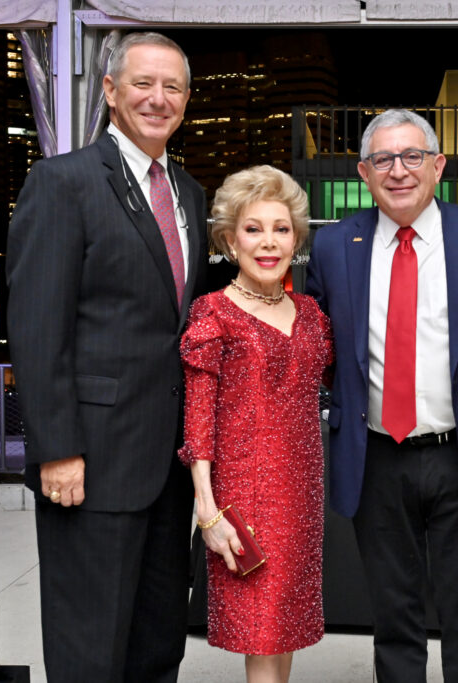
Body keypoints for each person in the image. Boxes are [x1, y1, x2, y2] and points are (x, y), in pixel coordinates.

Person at [6, 32, 207, 682]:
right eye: (143, 83)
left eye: (172, 86)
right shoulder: (62, 183)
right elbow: (37, 327)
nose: (158, 97)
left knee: (156, 645)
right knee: (89, 647)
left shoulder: (191, 194)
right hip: (89, 461)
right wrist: (57, 448)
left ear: (185, 100)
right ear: (111, 93)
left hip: (169, 466)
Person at [305, 109, 458, 682]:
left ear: (438, 165)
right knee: (393, 615)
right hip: (375, 457)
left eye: (412, 156)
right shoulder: (332, 245)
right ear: (364, 172)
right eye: (383, 159)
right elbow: (317, 344)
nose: (398, 171)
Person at [178, 165, 332, 683]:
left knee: (284, 629)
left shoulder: (310, 313)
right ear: (228, 239)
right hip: (243, 496)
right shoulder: (213, 313)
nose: (269, 242)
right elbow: (197, 423)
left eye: (281, 228)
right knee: (262, 632)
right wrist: (208, 511)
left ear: (297, 239)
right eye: (253, 228)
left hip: (303, 494)